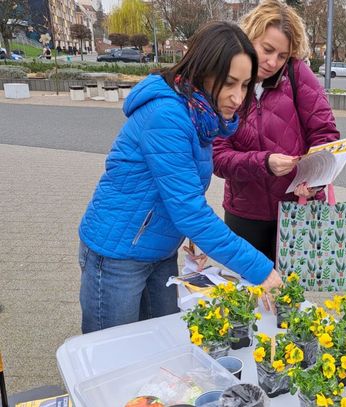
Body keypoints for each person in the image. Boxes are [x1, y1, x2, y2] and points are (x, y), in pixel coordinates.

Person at [78, 21, 282, 334]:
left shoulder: (200, 115)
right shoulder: (168, 115)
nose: (238, 97)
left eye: (245, 85)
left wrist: (187, 236)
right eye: (229, 83)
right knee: (109, 352)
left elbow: (177, 190)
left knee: (159, 344)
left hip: (158, 250)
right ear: (202, 71)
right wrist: (259, 269)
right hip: (117, 255)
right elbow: (189, 209)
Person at [213, 0, 340, 263]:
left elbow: (324, 133)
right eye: (267, 49)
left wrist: (315, 179)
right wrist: (264, 163)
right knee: (245, 294)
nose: (272, 62)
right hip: (244, 212)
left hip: (296, 206)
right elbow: (218, 156)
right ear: (250, 36)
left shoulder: (296, 74)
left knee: (288, 295)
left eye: (282, 56)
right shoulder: (224, 80)